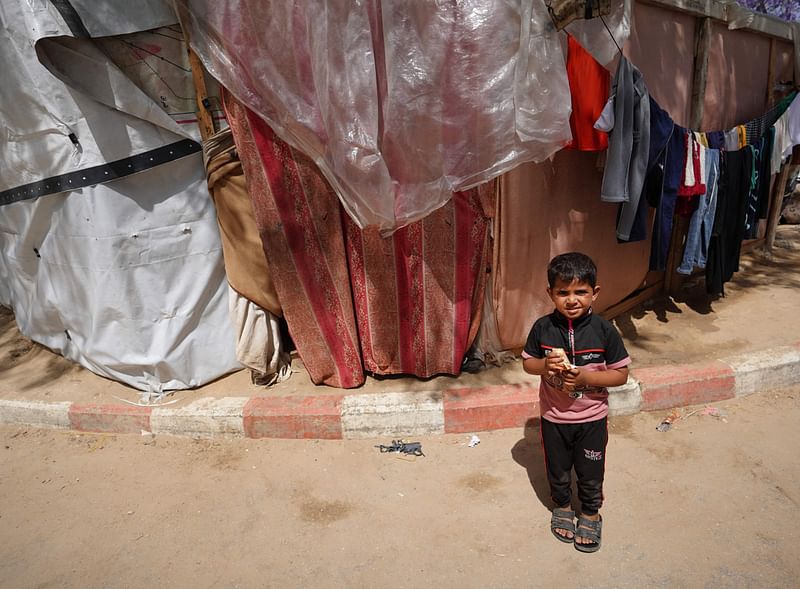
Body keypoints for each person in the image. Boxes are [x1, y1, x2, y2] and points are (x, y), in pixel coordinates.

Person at [522, 252, 631, 553]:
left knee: (590, 470)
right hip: (554, 417)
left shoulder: (604, 331)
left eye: (580, 291)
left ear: (595, 292)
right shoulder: (543, 329)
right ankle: (562, 506)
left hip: (592, 418)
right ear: (551, 294)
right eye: (563, 292)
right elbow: (528, 364)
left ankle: (590, 513)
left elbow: (621, 375)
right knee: (557, 469)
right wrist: (545, 366)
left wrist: (586, 378)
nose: (572, 300)